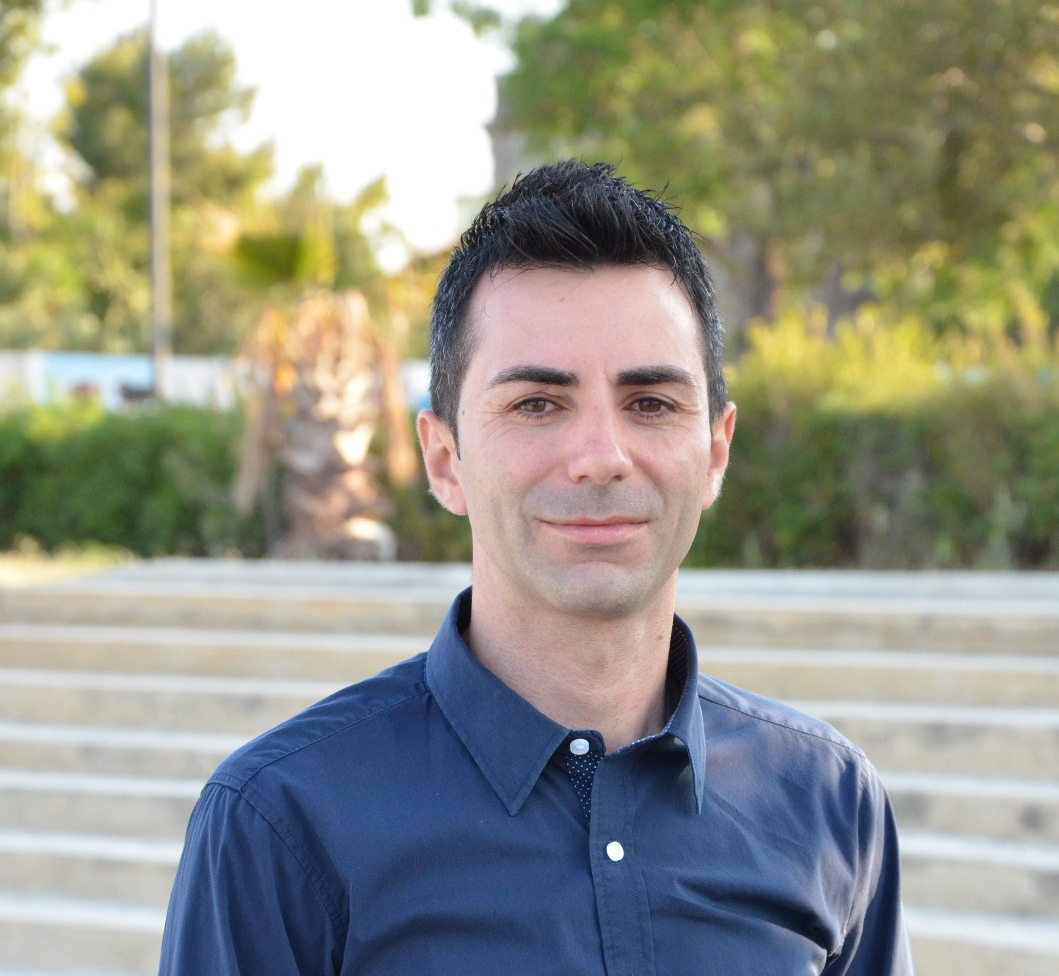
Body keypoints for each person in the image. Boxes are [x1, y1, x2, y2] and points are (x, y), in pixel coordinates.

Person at [159, 160, 914, 975]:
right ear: (444, 459)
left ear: (716, 451)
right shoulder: (281, 822)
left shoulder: (828, 801)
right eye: (537, 404)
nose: (601, 457)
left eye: (650, 403)